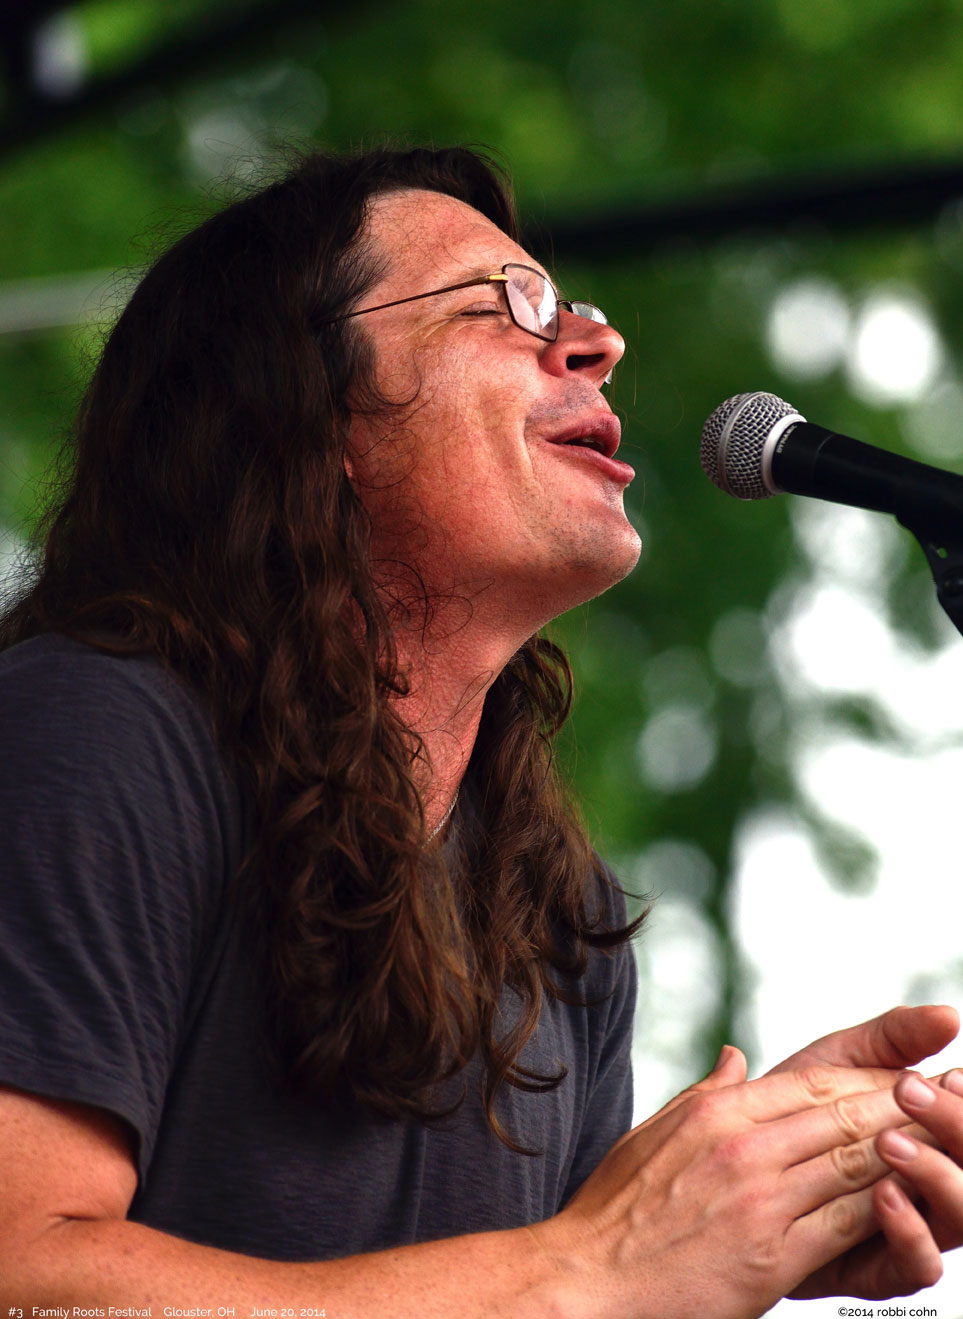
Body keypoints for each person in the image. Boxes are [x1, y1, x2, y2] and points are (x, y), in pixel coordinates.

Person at [0, 144, 961, 1316]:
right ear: (304, 406)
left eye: (573, 306)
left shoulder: (559, 911)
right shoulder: (92, 731)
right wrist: (597, 1264)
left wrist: (735, 1234)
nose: (598, 343)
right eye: (507, 304)